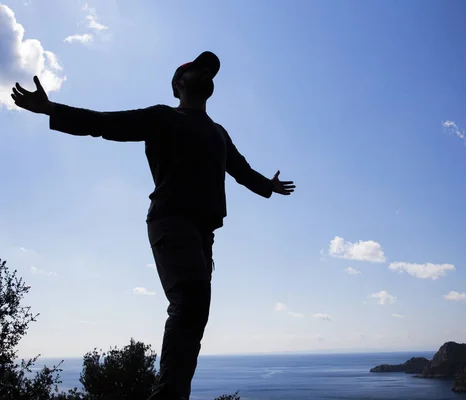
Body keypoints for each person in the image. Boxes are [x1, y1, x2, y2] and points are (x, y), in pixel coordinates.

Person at [10, 51, 295, 400]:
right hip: (171, 222)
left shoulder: (218, 132)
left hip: (203, 235)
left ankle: (175, 393)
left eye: (211, 71)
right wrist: (51, 109)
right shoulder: (163, 117)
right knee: (190, 302)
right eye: (197, 69)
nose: (206, 73)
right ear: (179, 84)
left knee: (195, 312)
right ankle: (168, 395)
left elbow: (241, 170)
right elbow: (104, 123)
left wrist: (268, 185)